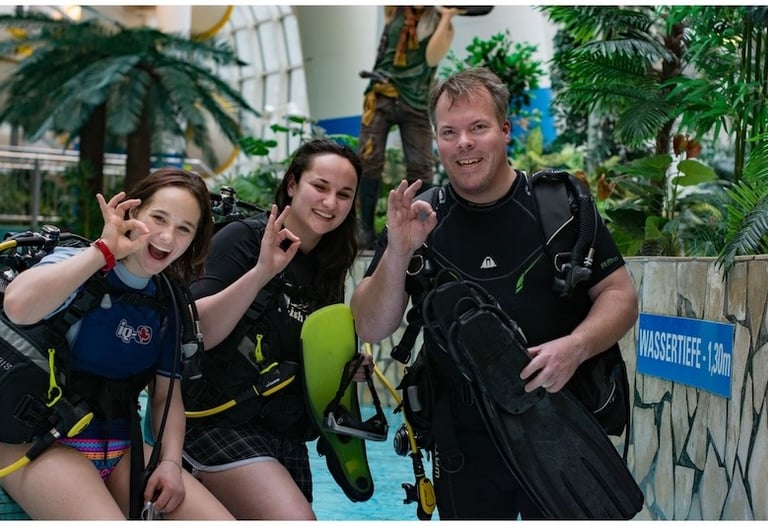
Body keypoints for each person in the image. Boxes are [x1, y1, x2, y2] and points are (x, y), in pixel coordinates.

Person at [350, 67, 639, 519]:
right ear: (436, 140)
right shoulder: (421, 216)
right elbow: (370, 324)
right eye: (449, 132)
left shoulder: (560, 206)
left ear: (504, 130)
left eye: (478, 127)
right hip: (463, 443)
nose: (463, 142)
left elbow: (620, 294)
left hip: (560, 427)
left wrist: (576, 347)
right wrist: (398, 252)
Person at [0, 167, 233, 520]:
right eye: (159, 218)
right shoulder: (79, 262)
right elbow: (18, 305)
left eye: (184, 229)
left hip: (121, 448)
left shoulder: (167, 301)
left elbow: (165, 397)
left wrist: (169, 462)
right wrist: (104, 251)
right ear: (133, 212)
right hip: (37, 442)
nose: (168, 237)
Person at [182, 139, 364, 519]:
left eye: (344, 194)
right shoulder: (246, 240)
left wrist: (344, 367)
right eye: (320, 187)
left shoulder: (328, 265)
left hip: (284, 434)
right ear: (293, 185)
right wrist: (263, 271)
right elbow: (194, 328)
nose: (330, 203)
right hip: (218, 422)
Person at [357, 5, 461, 249]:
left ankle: (422, 226)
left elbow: (431, 57)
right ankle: (365, 231)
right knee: (369, 158)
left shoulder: (441, 24)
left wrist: (446, 15)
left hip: (415, 102)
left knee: (421, 166)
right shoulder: (394, 11)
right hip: (381, 94)